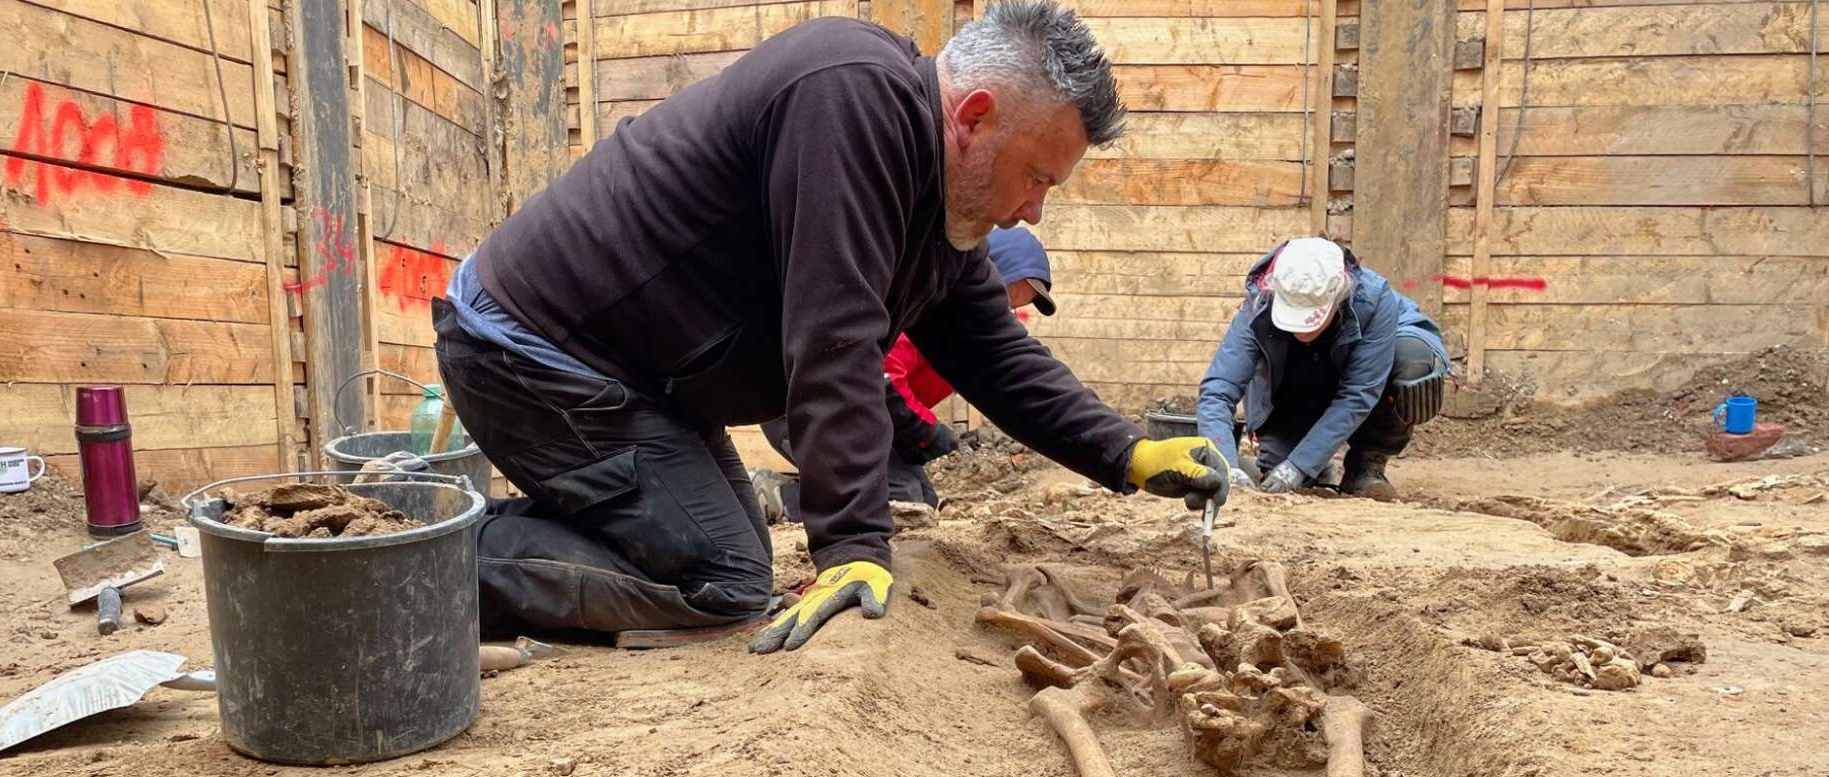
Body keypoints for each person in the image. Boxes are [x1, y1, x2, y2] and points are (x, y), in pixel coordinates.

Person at [433, 2, 1228, 655]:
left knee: (723, 550)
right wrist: (852, 546)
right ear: (976, 117)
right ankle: (410, 569)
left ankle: (448, 538)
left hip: (631, 377)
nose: (1033, 210)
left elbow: (993, 351)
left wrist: (1125, 452)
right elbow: (833, 335)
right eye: (1036, 176)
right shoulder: (847, 96)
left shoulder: (937, 206)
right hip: (530, 351)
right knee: (724, 580)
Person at [751, 225, 1060, 522]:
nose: (1000, 315)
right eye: (1001, 300)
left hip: (859, 413)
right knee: (898, 500)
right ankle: (777, 499)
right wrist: (923, 431)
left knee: (922, 501)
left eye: (1009, 309)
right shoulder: (925, 304)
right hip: (804, 406)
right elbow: (881, 373)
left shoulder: (968, 329)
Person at [1195, 237, 1449, 500]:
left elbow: (1358, 394)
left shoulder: (1374, 299)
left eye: (1310, 316)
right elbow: (1217, 390)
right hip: (1295, 379)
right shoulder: (1260, 302)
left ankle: (1366, 465)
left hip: (1361, 366)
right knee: (1280, 472)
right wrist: (1225, 465)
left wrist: (1298, 466)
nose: (1299, 329)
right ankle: (1312, 461)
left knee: (1413, 367)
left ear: (1338, 295)